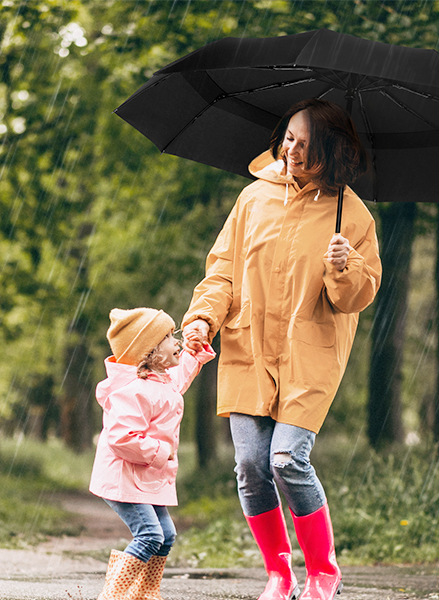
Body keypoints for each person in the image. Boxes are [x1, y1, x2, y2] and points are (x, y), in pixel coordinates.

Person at [181, 98, 381, 600]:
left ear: (332, 152)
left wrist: (346, 265)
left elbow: (356, 297)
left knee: (287, 459)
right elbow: (223, 270)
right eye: (289, 138)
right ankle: (279, 573)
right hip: (249, 347)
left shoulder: (352, 214)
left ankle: (323, 572)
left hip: (308, 353)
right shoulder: (253, 198)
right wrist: (203, 317)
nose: (291, 150)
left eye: (306, 145)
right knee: (250, 466)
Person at [90, 308, 216, 600]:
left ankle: (145, 593)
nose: (178, 342)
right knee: (150, 535)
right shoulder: (133, 391)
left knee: (166, 536)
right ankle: (113, 596)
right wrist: (161, 450)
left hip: (144, 477)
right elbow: (121, 437)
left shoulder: (163, 380)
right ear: (150, 352)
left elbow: (181, 375)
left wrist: (195, 353)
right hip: (123, 477)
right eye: (169, 337)